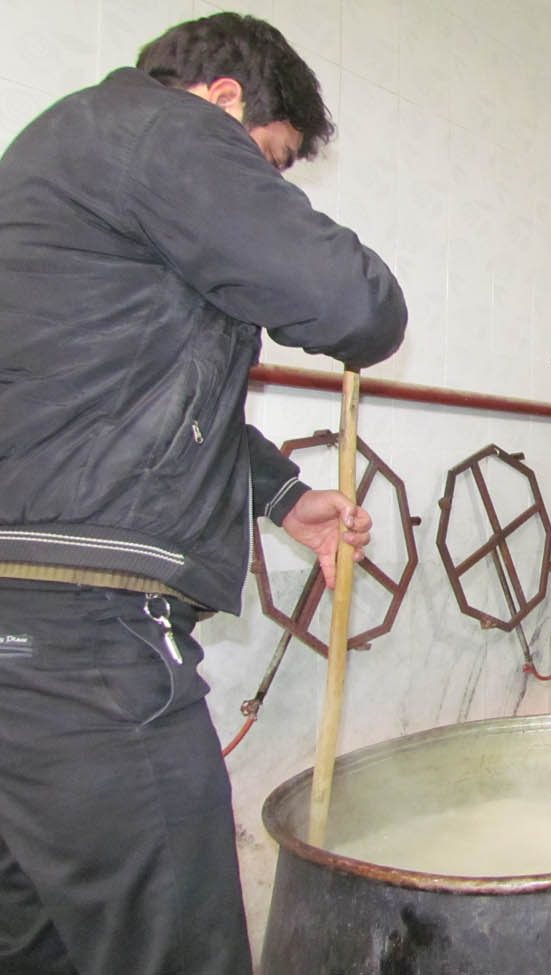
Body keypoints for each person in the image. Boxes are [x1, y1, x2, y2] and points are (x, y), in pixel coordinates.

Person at [0, 13, 406, 975]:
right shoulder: (164, 129)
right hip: (88, 640)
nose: (266, 190)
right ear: (224, 101)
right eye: (269, 163)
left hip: (25, 630)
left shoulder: (53, 159)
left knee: (38, 944)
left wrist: (281, 495)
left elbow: (110, 391)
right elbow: (356, 305)